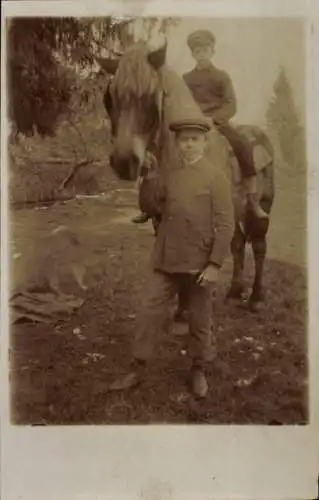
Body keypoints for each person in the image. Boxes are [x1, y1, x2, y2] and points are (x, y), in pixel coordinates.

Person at [109, 115, 234, 399]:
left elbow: (226, 225)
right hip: (166, 259)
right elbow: (152, 207)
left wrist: (214, 264)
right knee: (148, 310)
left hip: (200, 263)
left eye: (194, 140)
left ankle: (198, 368)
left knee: (200, 318)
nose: (189, 145)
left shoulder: (216, 177)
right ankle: (138, 367)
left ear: (204, 142)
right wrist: (149, 176)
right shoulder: (169, 174)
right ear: (177, 144)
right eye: (184, 140)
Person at [183, 29, 269, 220]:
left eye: (205, 50)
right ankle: (153, 200)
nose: (201, 54)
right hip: (191, 124)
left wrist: (214, 119)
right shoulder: (186, 79)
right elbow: (182, 103)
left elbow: (231, 104)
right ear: (192, 54)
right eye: (197, 51)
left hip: (218, 123)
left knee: (243, 145)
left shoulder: (221, 76)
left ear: (212, 51)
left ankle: (252, 197)